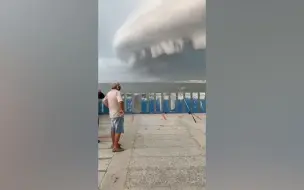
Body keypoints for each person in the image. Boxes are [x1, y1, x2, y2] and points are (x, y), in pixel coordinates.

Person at [102, 83, 125, 152]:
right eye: (119, 86)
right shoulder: (117, 92)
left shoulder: (109, 93)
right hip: (118, 114)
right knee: (118, 130)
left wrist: (109, 106)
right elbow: (120, 101)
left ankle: (114, 144)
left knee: (113, 129)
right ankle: (115, 147)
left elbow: (104, 101)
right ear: (117, 87)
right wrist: (121, 110)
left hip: (111, 114)